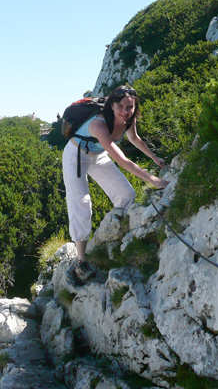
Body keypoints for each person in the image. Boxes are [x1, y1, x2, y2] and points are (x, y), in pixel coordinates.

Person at [63, 85, 168, 283]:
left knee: (126, 194)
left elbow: (135, 139)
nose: (125, 112)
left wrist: (154, 158)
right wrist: (153, 180)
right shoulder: (98, 124)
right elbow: (123, 161)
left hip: (98, 155)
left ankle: (115, 232)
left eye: (130, 107)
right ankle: (81, 260)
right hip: (75, 154)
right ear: (111, 105)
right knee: (81, 203)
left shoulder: (129, 118)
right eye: (121, 106)